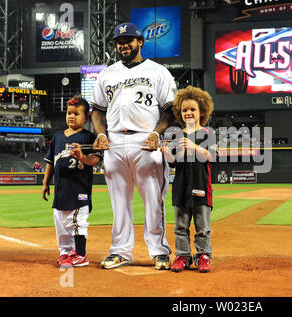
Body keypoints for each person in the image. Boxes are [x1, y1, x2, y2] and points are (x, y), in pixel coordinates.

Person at [90, 22, 177, 270]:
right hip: (114, 141)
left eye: (128, 40)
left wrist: (157, 133)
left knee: (153, 199)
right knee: (119, 202)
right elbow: (97, 110)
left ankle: (159, 251)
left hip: (145, 141)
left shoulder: (158, 71)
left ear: (140, 42)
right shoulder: (107, 74)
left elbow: (169, 109)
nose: (123, 45)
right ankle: (120, 251)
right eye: (119, 41)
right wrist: (101, 134)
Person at [42, 95, 102, 268]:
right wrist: (46, 183)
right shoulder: (58, 137)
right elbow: (50, 162)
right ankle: (66, 252)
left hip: (80, 189)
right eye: (69, 113)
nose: (71, 116)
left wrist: (83, 157)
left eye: (76, 113)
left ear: (85, 118)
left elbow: (95, 160)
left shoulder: (89, 138)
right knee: (60, 222)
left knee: (78, 222)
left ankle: (81, 255)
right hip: (61, 189)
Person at [161, 86, 215, 273]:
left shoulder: (208, 133)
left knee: (203, 227)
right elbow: (175, 162)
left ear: (202, 111)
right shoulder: (176, 134)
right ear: (179, 112)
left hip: (201, 185)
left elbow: (212, 156)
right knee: (180, 225)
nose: (188, 113)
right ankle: (182, 256)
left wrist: (194, 146)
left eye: (193, 109)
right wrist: (167, 153)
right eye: (184, 110)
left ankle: (203, 256)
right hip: (181, 186)